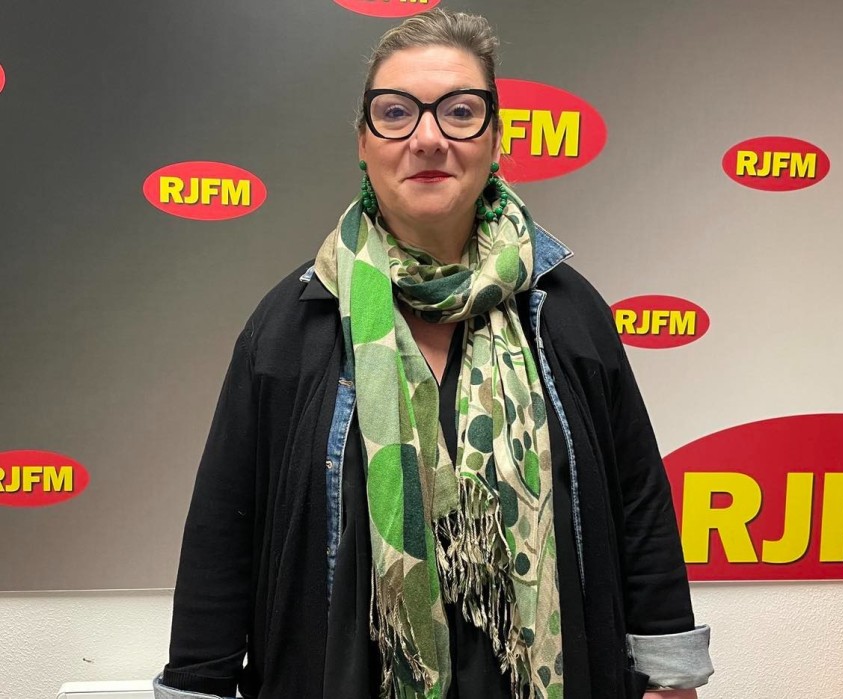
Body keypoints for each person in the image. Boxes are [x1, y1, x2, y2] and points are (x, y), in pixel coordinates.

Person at [154, 9, 713, 699]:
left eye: (459, 112)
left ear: (496, 140)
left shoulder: (566, 312)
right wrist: (198, 684)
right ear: (363, 143)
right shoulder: (291, 323)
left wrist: (670, 671)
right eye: (395, 113)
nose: (427, 138)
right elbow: (222, 529)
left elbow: (639, 504)